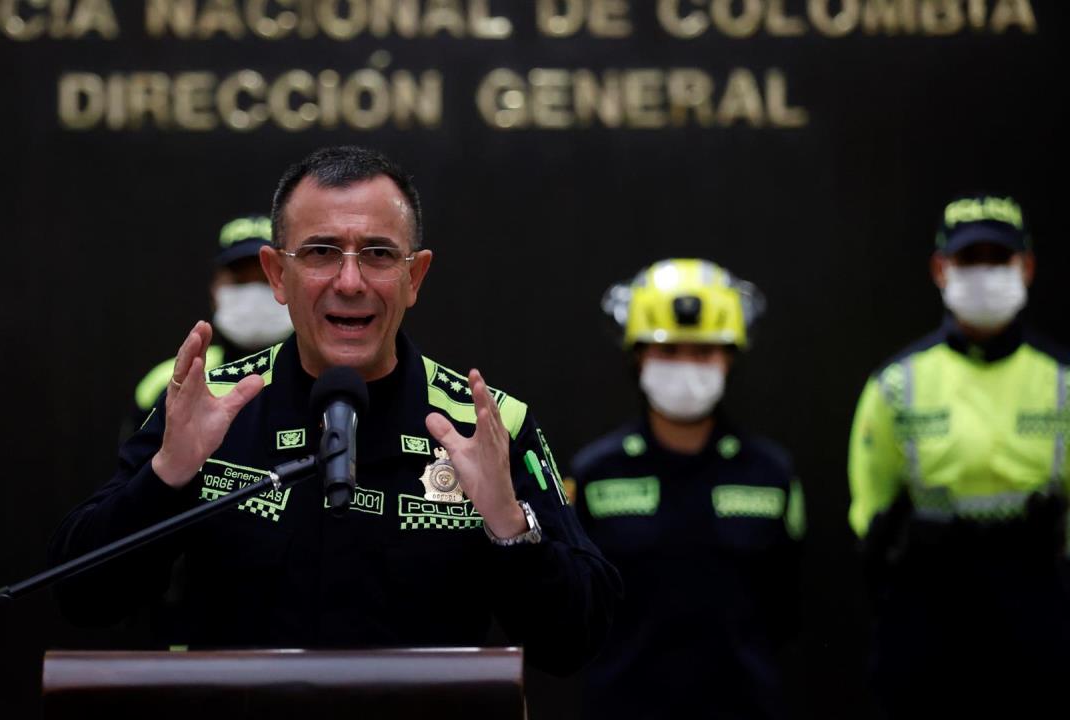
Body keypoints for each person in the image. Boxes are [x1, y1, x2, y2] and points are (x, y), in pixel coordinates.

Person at [50, 147, 619, 675]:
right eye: (321, 252)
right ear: (278, 274)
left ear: (414, 276)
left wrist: (509, 526)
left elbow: (580, 639)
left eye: (378, 254)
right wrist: (166, 477)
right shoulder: (213, 407)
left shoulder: (488, 424)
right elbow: (82, 597)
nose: (350, 282)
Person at [848, 193, 1070, 719]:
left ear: (1027, 267)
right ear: (940, 269)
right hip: (931, 602)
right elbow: (870, 513)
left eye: (998, 259)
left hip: (1035, 597)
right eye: (970, 259)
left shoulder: (1062, 382)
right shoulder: (895, 385)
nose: (984, 274)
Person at [569, 258, 804, 720]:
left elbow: (785, 611)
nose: (686, 366)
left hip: (744, 707)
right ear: (638, 355)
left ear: (730, 356)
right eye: (668, 349)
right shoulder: (595, 473)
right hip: (624, 707)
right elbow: (578, 609)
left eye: (704, 351)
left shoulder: (771, 473)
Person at [126, 214, 293, 433]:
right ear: (214, 290)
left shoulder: (324, 378)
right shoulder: (169, 382)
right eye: (239, 281)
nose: (253, 295)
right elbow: (136, 455)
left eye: (266, 279)